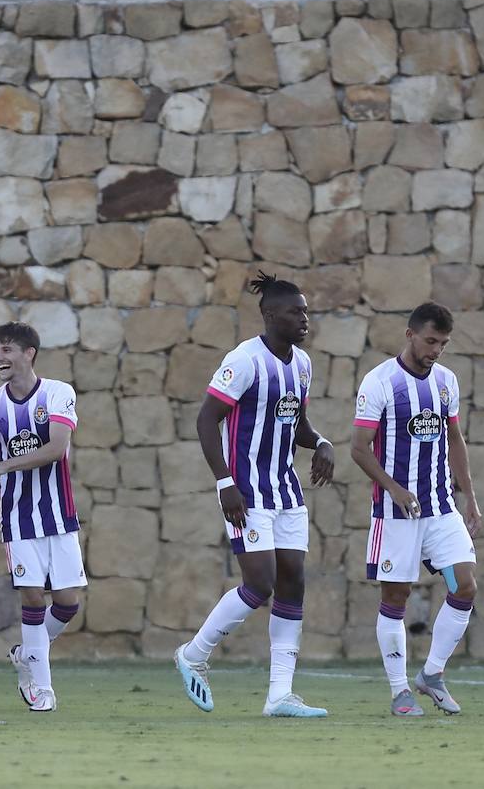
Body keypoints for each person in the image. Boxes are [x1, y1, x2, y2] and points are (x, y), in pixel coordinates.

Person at [173, 272, 335, 718]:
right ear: (268, 315)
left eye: (305, 311)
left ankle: (279, 696)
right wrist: (224, 483)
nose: (304, 318)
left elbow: (295, 423)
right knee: (259, 583)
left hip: (287, 492)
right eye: (294, 311)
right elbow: (207, 420)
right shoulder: (244, 360)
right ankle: (193, 654)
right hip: (245, 492)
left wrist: (322, 442)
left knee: (292, 584)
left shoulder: (302, 364)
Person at [351, 302, 481, 716]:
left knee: (464, 586)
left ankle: (432, 675)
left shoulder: (446, 382)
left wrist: (470, 497)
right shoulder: (380, 382)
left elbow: (455, 439)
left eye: (443, 343)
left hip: (441, 508)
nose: (436, 350)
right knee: (396, 596)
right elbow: (358, 448)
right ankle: (399, 691)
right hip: (396, 514)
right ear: (410, 335)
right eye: (430, 341)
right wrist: (395, 489)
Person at [0, 322, 83, 713]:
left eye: (7, 350)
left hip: (59, 514)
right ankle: (42, 689)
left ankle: (27, 654)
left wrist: (2, 466)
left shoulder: (58, 393)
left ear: (29, 353)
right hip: (17, 519)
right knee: (32, 596)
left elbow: (56, 449)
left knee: (67, 604)